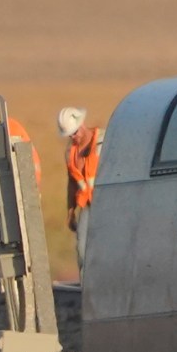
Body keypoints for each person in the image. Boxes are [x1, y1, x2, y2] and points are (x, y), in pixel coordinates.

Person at [58, 107, 103, 263]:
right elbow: (72, 183)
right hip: (87, 206)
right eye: (69, 134)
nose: (73, 136)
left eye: (75, 132)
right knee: (82, 251)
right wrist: (70, 211)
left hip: (108, 205)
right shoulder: (70, 152)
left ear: (82, 123)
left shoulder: (103, 142)